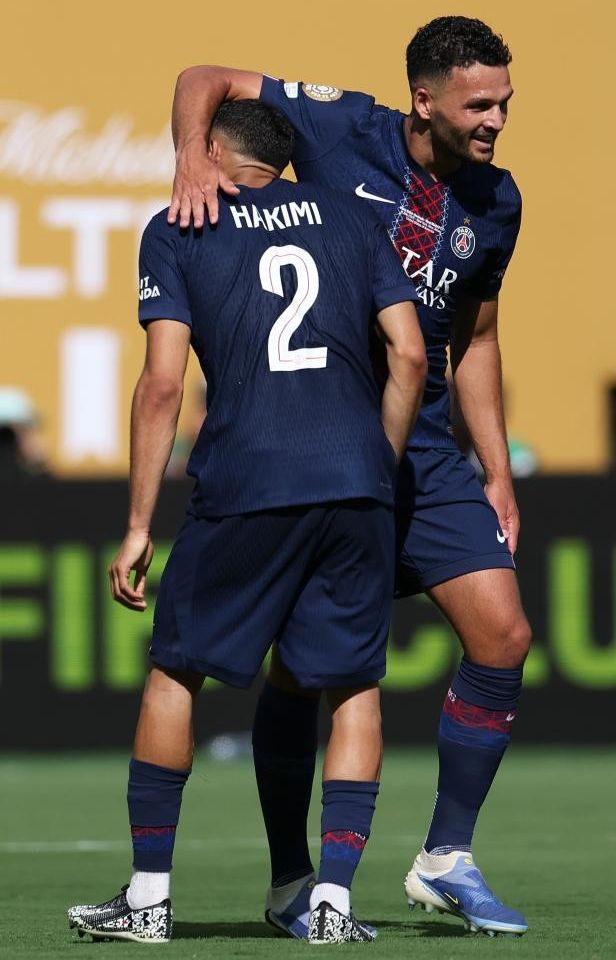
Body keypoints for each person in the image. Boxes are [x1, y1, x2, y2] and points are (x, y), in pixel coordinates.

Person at [167, 14, 531, 939]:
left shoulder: (497, 201)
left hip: (425, 451)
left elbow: (476, 339)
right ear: (423, 100)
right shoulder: (341, 126)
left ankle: (446, 857)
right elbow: (206, 74)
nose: (495, 120)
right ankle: (292, 879)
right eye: (478, 105)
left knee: (504, 634)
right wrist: (191, 162)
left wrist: (497, 471)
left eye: (503, 103)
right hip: (319, 440)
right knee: (302, 674)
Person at [66, 100, 426, 944]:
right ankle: (332, 905)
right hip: (355, 483)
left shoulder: (180, 226)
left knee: (174, 673)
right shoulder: (350, 215)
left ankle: (148, 898)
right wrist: (376, 464)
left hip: (249, 478)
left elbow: (162, 384)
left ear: (214, 153)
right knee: (353, 687)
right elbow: (410, 354)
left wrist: (137, 524)